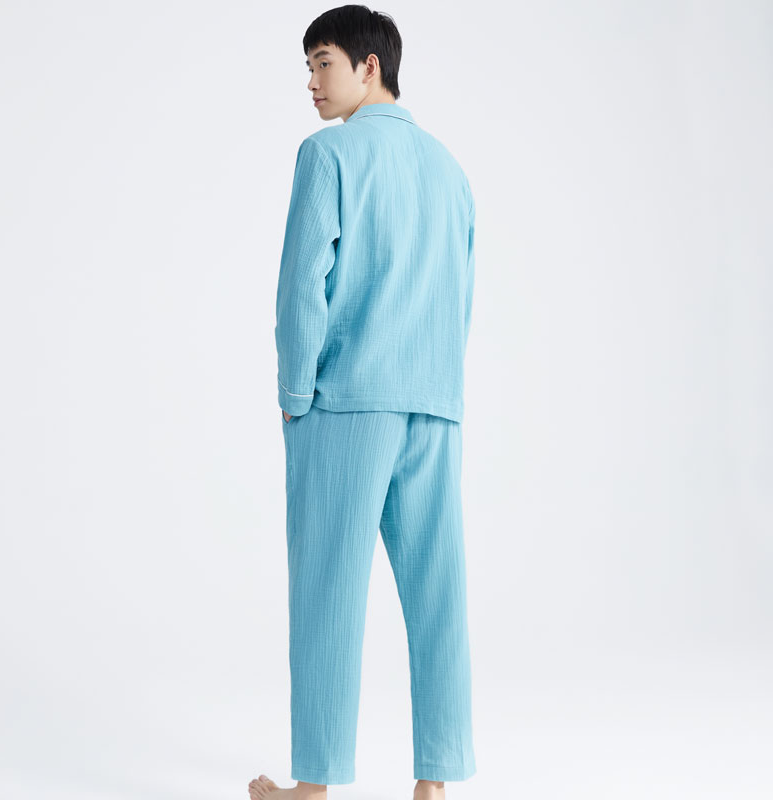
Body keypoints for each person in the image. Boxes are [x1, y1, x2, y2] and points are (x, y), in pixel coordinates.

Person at [249, 6, 476, 800]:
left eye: (323, 63)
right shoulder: (450, 170)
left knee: (328, 594)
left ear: (368, 66)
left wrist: (294, 391)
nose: (312, 82)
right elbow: (459, 294)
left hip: (346, 403)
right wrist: (442, 389)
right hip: (434, 404)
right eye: (310, 67)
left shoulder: (328, 155)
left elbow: (300, 288)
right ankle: (435, 783)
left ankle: (313, 788)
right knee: (439, 596)